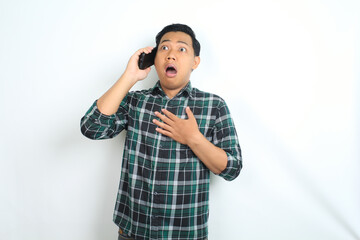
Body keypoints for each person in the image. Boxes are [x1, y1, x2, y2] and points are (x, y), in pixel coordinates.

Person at [80, 23, 242, 240]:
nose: (171, 55)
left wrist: (193, 138)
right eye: (164, 48)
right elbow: (91, 128)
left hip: (186, 234)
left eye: (181, 49)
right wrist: (129, 76)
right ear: (154, 59)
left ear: (196, 61)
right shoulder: (136, 102)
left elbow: (232, 168)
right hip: (133, 232)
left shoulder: (214, 106)